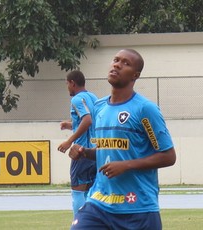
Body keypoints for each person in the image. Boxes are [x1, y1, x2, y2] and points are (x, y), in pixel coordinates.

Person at [68, 49, 176, 230]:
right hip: (99, 202)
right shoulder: (99, 107)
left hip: (137, 206)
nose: (117, 64)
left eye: (125, 63)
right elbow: (106, 151)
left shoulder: (145, 109)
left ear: (135, 75)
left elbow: (168, 156)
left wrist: (125, 165)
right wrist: (84, 152)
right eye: (116, 60)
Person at [58, 70, 97, 217]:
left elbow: (87, 120)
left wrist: (69, 141)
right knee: (92, 192)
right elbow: (90, 120)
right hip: (95, 152)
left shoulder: (76, 99)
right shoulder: (93, 97)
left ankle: (80, 225)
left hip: (81, 152)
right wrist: (70, 125)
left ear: (72, 83)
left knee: (78, 191)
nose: (67, 87)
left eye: (67, 83)